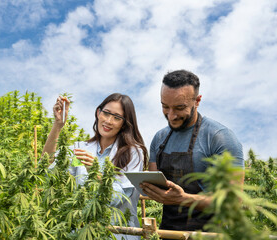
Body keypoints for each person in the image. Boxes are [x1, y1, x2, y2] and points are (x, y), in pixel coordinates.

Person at [140, 70, 244, 231]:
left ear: (197, 101)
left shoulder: (219, 137)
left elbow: (233, 201)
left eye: (179, 108)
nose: (171, 116)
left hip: (211, 234)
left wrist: (183, 199)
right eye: (165, 107)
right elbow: (153, 184)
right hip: (169, 232)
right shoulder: (159, 138)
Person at [43, 93, 148, 240]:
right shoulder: (83, 149)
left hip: (116, 234)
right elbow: (48, 165)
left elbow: (118, 198)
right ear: (98, 113)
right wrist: (58, 125)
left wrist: (96, 173)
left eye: (117, 118)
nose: (108, 121)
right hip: (82, 232)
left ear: (124, 124)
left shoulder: (132, 153)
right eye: (106, 113)